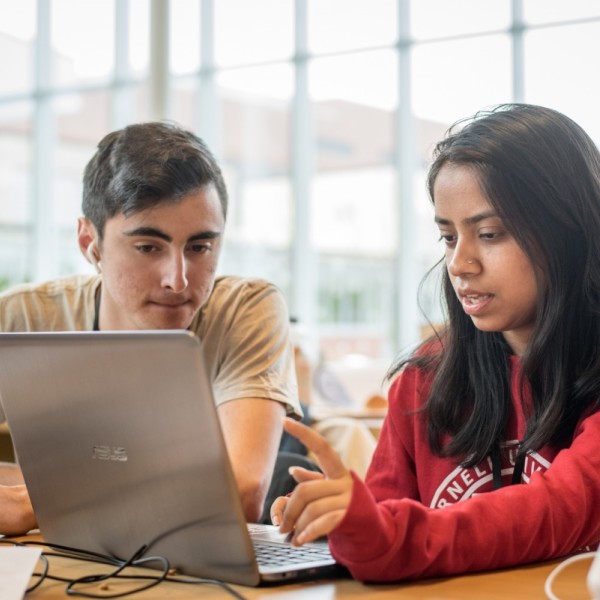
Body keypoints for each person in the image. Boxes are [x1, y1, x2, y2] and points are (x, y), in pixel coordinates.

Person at [270, 103, 600, 582]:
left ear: (568, 230)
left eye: (489, 233)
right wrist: (335, 518)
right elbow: (382, 530)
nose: (461, 264)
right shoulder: (427, 378)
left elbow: (558, 510)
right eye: (447, 237)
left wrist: (384, 536)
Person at [0, 121, 302, 532]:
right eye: (147, 247)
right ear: (90, 243)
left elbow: (243, 490)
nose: (177, 280)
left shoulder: (245, 308)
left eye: (199, 247)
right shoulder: (22, 320)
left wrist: (39, 502)